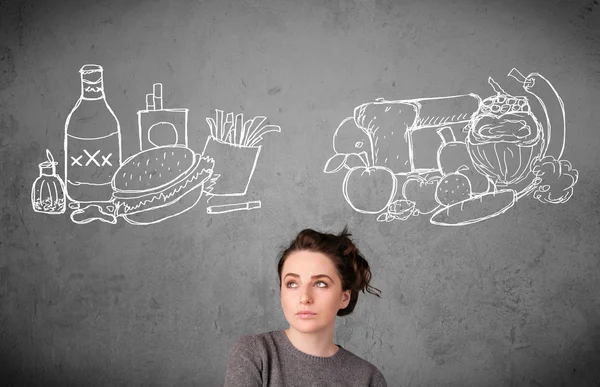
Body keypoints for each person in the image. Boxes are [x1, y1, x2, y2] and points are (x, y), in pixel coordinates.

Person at [224, 227, 387, 387]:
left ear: (344, 298)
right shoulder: (254, 353)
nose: (304, 297)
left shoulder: (368, 378)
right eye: (292, 284)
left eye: (320, 283)